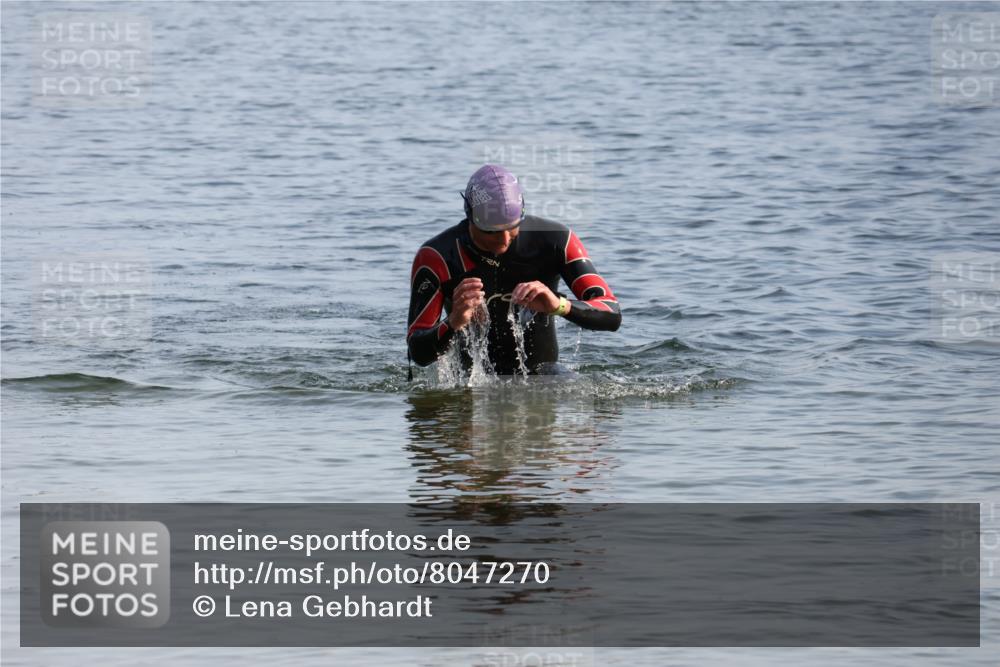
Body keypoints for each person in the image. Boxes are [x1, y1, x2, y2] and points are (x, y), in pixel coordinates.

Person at [407, 164, 621, 376]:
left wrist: (559, 305)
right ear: (470, 217)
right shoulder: (438, 256)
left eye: (512, 228)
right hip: (470, 383)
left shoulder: (556, 240)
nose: (504, 240)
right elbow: (418, 353)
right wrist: (453, 321)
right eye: (492, 231)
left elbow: (612, 313)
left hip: (543, 379)